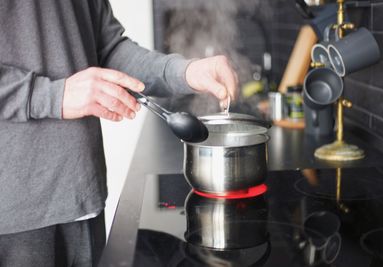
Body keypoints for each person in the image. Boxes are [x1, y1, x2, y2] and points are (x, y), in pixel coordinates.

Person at [0, 0, 238, 266]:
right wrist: (50, 95)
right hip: (16, 215)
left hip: (83, 197)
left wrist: (184, 72)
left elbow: (109, 49)